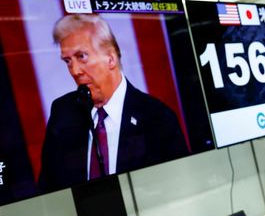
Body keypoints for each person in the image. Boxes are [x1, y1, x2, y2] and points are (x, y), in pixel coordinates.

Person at [38, 14, 188, 190]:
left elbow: (179, 184)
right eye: (68, 61)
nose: (75, 71)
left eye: (81, 56)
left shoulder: (157, 117)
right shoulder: (63, 112)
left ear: (110, 58)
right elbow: (47, 187)